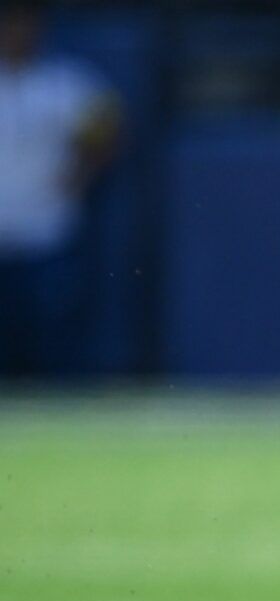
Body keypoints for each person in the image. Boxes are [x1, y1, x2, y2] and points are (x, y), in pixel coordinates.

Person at [0, 0, 119, 379]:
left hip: (49, 233)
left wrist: (80, 173)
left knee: (53, 342)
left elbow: (109, 126)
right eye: (9, 24)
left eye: (25, 23)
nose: (17, 33)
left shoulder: (65, 82)